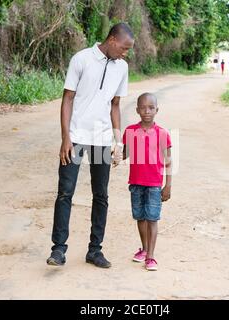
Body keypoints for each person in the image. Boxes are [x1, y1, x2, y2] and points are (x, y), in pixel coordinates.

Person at [46, 23, 134, 268]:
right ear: (113, 39)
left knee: (101, 195)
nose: (126, 53)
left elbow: (116, 105)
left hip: (102, 139)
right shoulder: (81, 59)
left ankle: (95, 250)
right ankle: (58, 250)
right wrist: (66, 137)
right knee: (65, 192)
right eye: (125, 48)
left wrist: (118, 140)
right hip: (75, 136)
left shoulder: (122, 68)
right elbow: (68, 98)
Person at [122, 93, 172, 271]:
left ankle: (151, 256)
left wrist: (168, 185)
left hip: (154, 184)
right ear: (137, 110)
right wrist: (115, 154)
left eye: (151, 108)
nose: (147, 111)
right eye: (143, 107)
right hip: (136, 182)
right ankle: (143, 249)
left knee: (152, 218)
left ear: (157, 110)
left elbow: (168, 161)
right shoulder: (129, 131)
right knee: (140, 217)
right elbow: (125, 154)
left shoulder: (162, 134)